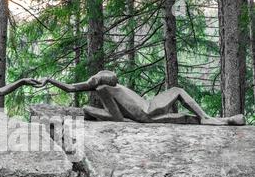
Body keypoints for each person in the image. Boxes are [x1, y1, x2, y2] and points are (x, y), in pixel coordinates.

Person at [41, 70, 245, 125]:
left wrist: (89, 111)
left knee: (177, 93)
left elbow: (117, 118)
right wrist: (50, 80)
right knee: (184, 116)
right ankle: (223, 121)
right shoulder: (101, 86)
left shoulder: (104, 86)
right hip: (147, 112)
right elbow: (70, 87)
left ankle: (210, 119)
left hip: (148, 109)